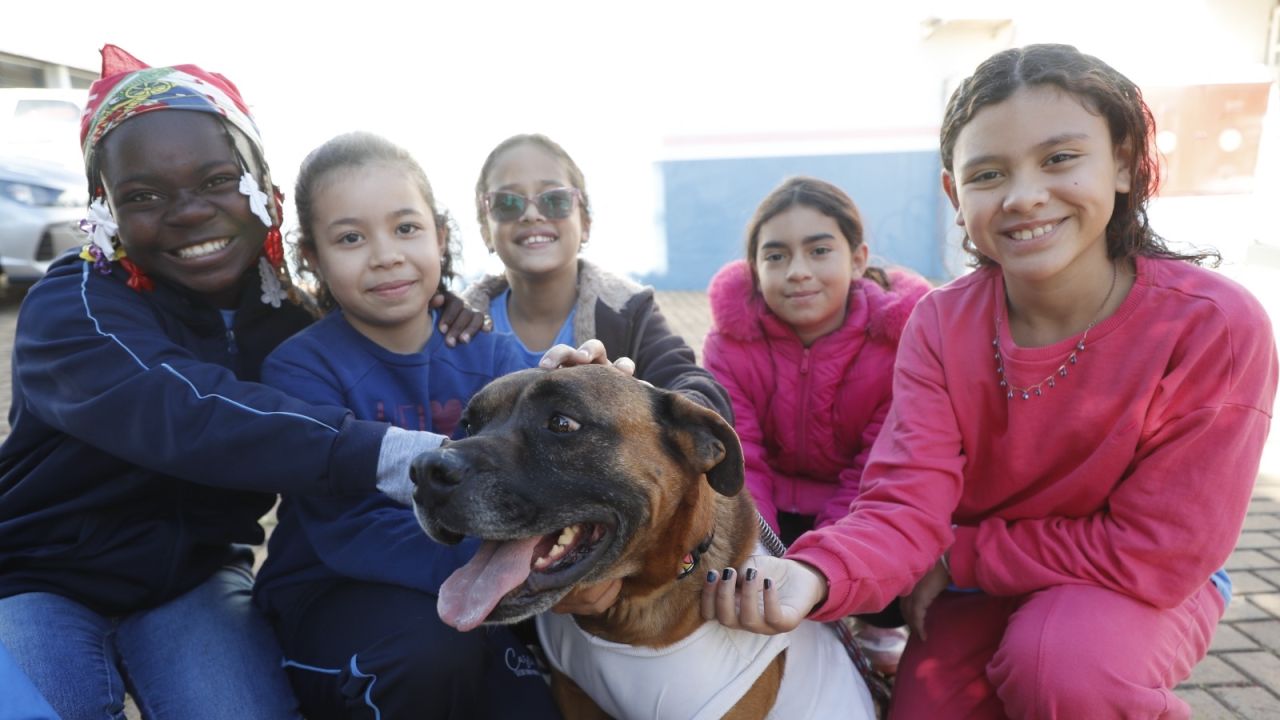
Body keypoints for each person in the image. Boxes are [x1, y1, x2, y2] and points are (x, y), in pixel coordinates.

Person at [703, 43, 1279, 719]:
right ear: (953, 192)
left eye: (1060, 158)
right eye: (987, 173)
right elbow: (903, 501)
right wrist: (812, 572)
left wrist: (959, 555)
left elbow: (1158, 551)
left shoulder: (1213, 325)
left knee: (1058, 667)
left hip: (1131, 583)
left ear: (1123, 162)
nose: (1025, 195)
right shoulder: (941, 324)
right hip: (980, 578)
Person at [0, 46, 482, 720]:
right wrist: (385, 455)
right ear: (103, 208)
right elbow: (180, 408)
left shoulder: (289, 320)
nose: (190, 212)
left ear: (266, 187)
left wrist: (446, 306)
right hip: (33, 582)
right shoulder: (72, 306)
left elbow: (378, 313)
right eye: (142, 196)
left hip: (193, 582)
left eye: (218, 179)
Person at [252, 131, 559, 719]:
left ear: (441, 237)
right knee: (432, 657)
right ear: (311, 258)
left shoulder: (491, 356)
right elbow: (349, 528)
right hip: (334, 597)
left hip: (475, 580)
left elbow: (541, 466)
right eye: (350, 238)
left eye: (406, 228)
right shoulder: (299, 368)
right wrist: (507, 565)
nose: (386, 254)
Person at [702, 176, 931, 674]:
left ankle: (878, 625)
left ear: (857, 258)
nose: (798, 272)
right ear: (755, 268)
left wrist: (815, 571)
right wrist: (755, 556)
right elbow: (743, 461)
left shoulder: (902, 342)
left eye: (819, 251)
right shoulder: (730, 345)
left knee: (899, 555)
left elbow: (875, 473)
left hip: (857, 510)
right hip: (771, 509)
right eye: (776, 256)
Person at [465, 133, 731, 415]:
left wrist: (626, 394)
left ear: (586, 223)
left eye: (555, 200)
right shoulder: (458, 325)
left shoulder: (628, 312)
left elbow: (707, 400)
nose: (532, 214)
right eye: (507, 203)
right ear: (485, 230)